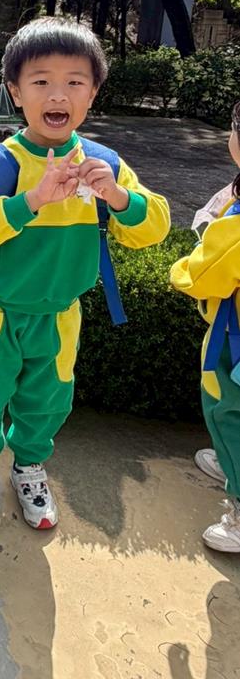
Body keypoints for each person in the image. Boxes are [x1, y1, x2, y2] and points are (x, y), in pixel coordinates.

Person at [0, 17, 170, 531]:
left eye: (74, 81)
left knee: (47, 399)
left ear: (93, 93)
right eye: (41, 81)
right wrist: (31, 201)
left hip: (60, 314)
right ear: (15, 91)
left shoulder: (104, 163)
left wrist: (118, 196)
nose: (58, 94)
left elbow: (154, 226)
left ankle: (29, 466)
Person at [171, 99, 240, 552]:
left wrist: (185, 261)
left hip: (235, 342)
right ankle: (231, 462)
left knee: (227, 411)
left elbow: (199, 275)